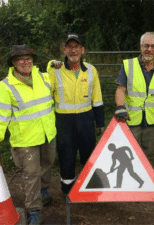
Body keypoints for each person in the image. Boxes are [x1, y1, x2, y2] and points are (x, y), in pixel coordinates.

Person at [0, 44, 57, 224]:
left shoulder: (42, 77)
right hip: (25, 139)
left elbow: (51, 71)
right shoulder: (6, 86)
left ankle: (44, 191)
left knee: (48, 164)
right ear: (14, 63)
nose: (26, 62)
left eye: (29, 59)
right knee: (31, 174)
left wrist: (53, 64)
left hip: (48, 133)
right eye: (21, 59)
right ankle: (34, 209)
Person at [47, 34, 105, 196]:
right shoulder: (55, 70)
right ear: (64, 50)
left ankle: (90, 187)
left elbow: (97, 98)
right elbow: (45, 89)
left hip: (86, 119)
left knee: (88, 154)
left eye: (77, 47)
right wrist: (50, 64)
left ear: (82, 50)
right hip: (64, 121)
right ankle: (68, 190)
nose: (74, 50)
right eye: (70, 47)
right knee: (67, 155)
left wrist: (99, 122)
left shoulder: (91, 70)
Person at [114, 32, 154, 156]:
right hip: (131, 118)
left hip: (153, 120)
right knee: (128, 152)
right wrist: (120, 107)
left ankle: (143, 175)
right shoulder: (128, 65)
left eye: (153, 46)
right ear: (140, 46)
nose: (149, 49)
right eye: (146, 45)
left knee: (147, 154)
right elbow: (120, 89)